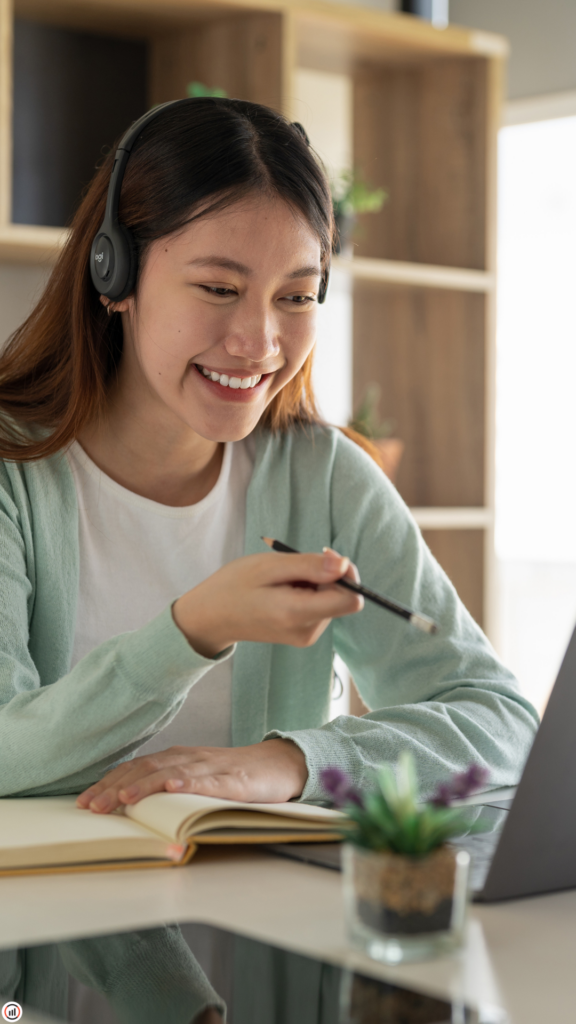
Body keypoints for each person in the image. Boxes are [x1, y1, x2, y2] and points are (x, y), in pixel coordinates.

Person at [0, 97, 538, 823]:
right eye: (219, 289)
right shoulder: (13, 473)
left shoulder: (325, 479)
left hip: (269, 923)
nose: (259, 341)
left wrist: (290, 763)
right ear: (114, 275)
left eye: (296, 296)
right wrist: (191, 631)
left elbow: (502, 724)